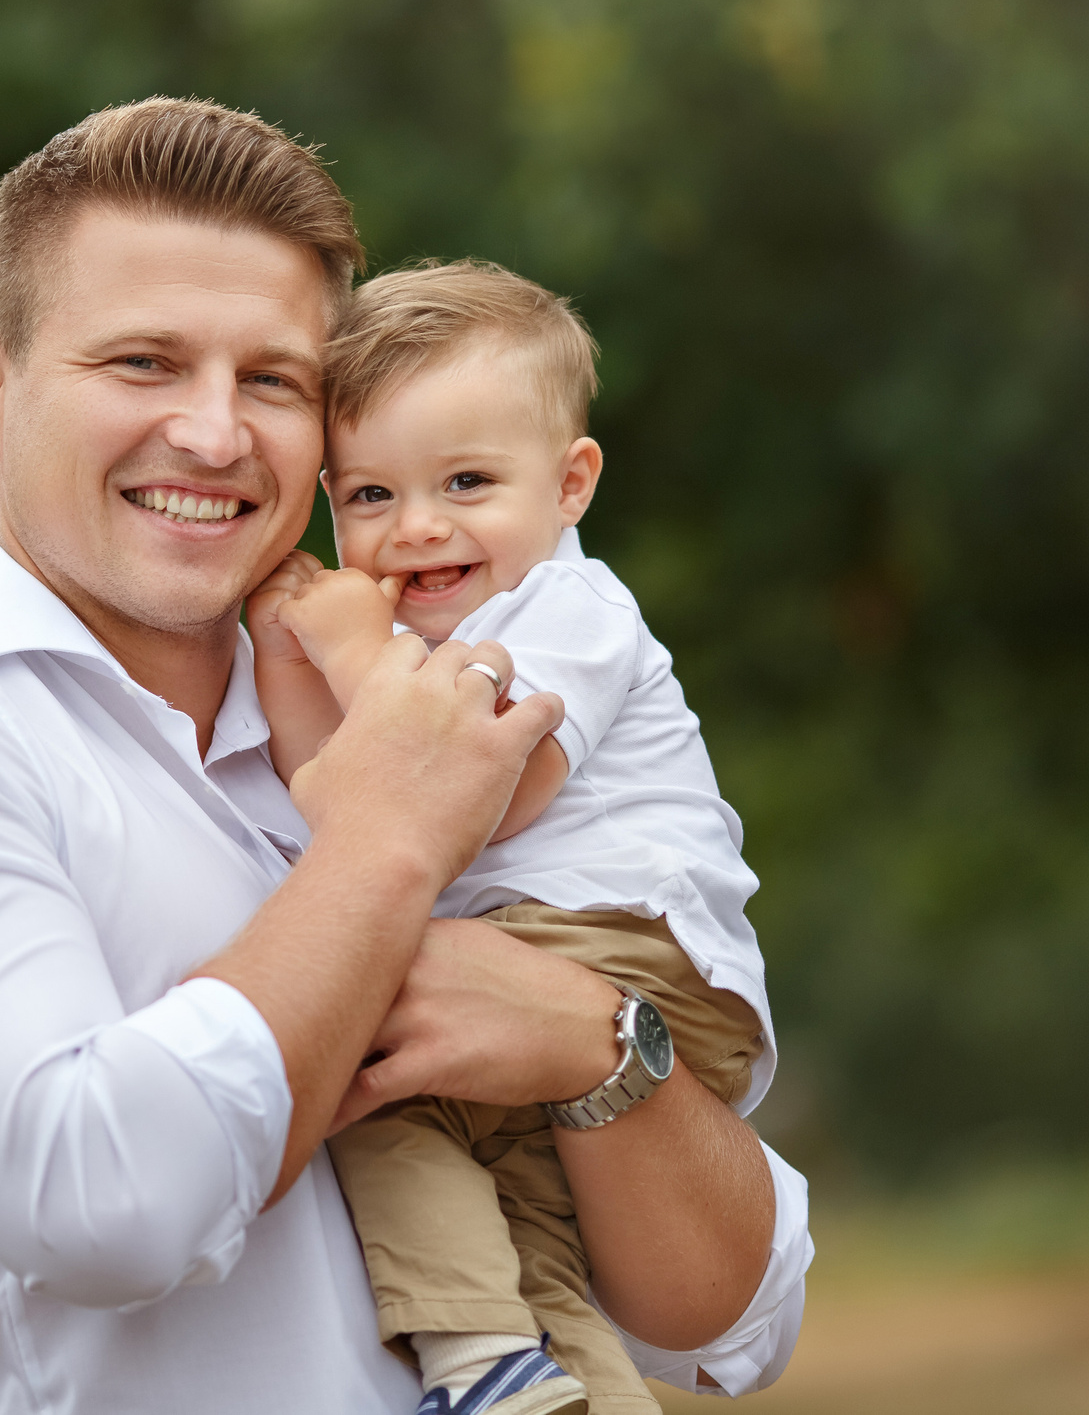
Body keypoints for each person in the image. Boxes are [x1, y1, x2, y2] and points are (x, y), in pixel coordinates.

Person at [0, 98, 812, 1414]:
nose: (212, 433)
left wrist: (598, 1047)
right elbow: (102, 1205)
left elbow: (734, 1321)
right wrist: (388, 841)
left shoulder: (399, 680)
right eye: (143, 362)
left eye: (272, 381)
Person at [249, 261, 773, 1415]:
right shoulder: (413, 642)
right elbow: (329, 787)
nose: (416, 527)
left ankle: (474, 1351)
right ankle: (525, 1379)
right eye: (370, 495)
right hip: (537, 954)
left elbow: (485, 785)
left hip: (622, 951)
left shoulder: (571, 610)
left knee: (367, 1081)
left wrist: (349, 648)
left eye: (467, 482)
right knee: (526, 1232)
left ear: (570, 482)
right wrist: (287, 646)